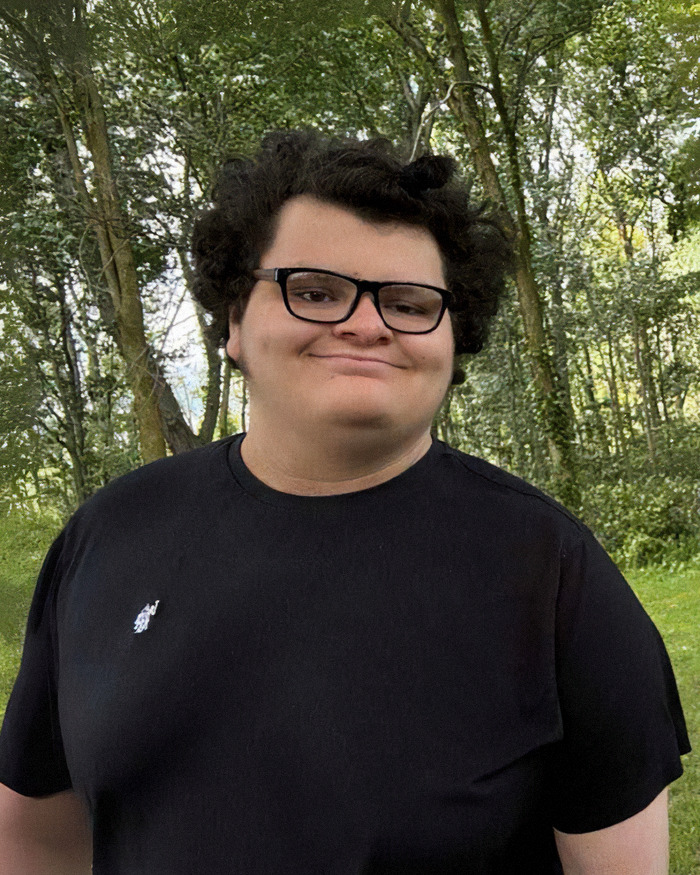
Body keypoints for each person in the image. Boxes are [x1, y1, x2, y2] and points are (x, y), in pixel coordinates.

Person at [0, 130, 690, 874]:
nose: (367, 324)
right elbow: (36, 836)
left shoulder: (553, 574)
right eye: (315, 291)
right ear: (234, 321)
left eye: (409, 302)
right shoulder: (108, 535)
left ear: (453, 337)